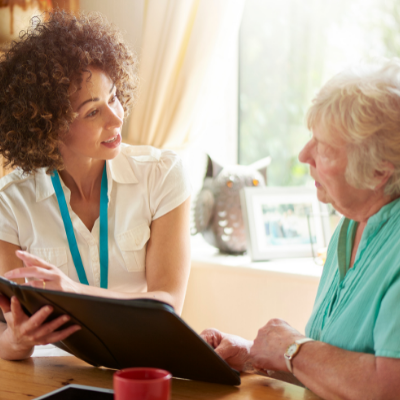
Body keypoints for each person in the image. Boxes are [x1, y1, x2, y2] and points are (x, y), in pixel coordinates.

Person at [202, 59, 400, 400]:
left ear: (380, 171)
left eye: (323, 148)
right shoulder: (349, 225)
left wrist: (292, 348)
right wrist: (253, 354)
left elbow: (388, 387)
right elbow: (332, 371)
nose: (303, 154)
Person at [0, 11, 191, 361]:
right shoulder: (9, 203)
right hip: (48, 376)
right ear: (50, 125)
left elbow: (168, 304)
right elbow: (5, 333)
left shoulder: (162, 174)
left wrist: (74, 292)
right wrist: (18, 340)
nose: (117, 117)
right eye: (92, 111)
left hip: (140, 367)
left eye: (114, 96)